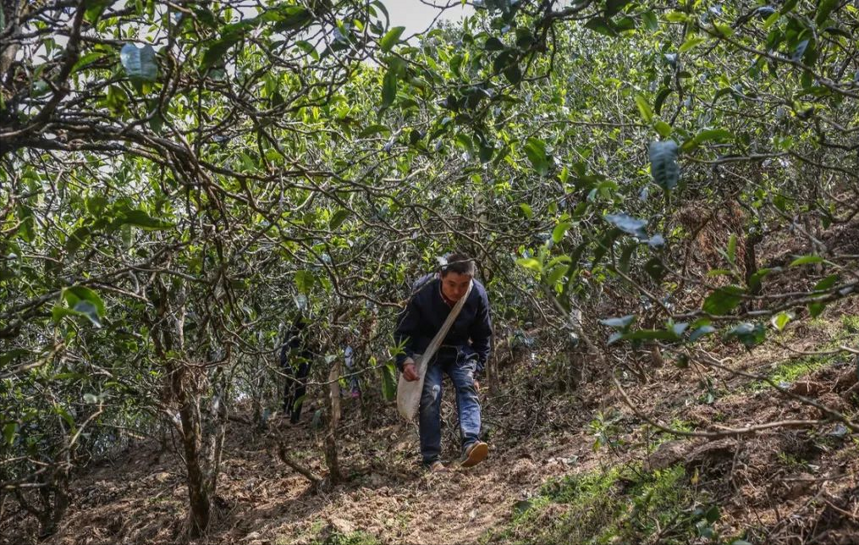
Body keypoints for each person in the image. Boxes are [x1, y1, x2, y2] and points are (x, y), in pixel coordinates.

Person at [395, 252, 492, 472]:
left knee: (467, 386)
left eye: (463, 285)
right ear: (441, 276)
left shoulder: (477, 294)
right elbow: (403, 330)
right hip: (428, 353)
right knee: (432, 394)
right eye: (451, 284)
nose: (457, 291)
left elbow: (483, 336)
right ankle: (431, 458)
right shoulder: (422, 290)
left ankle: (471, 443)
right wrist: (405, 360)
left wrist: (477, 368)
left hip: (460, 352)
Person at [280, 314, 312, 424]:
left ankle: (295, 415)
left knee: (300, 388)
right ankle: (287, 409)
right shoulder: (290, 333)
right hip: (292, 363)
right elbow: (284, 350)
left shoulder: (307, 334)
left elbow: (310, 352)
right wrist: (285, 364)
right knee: (291, 385)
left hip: (302, 364)